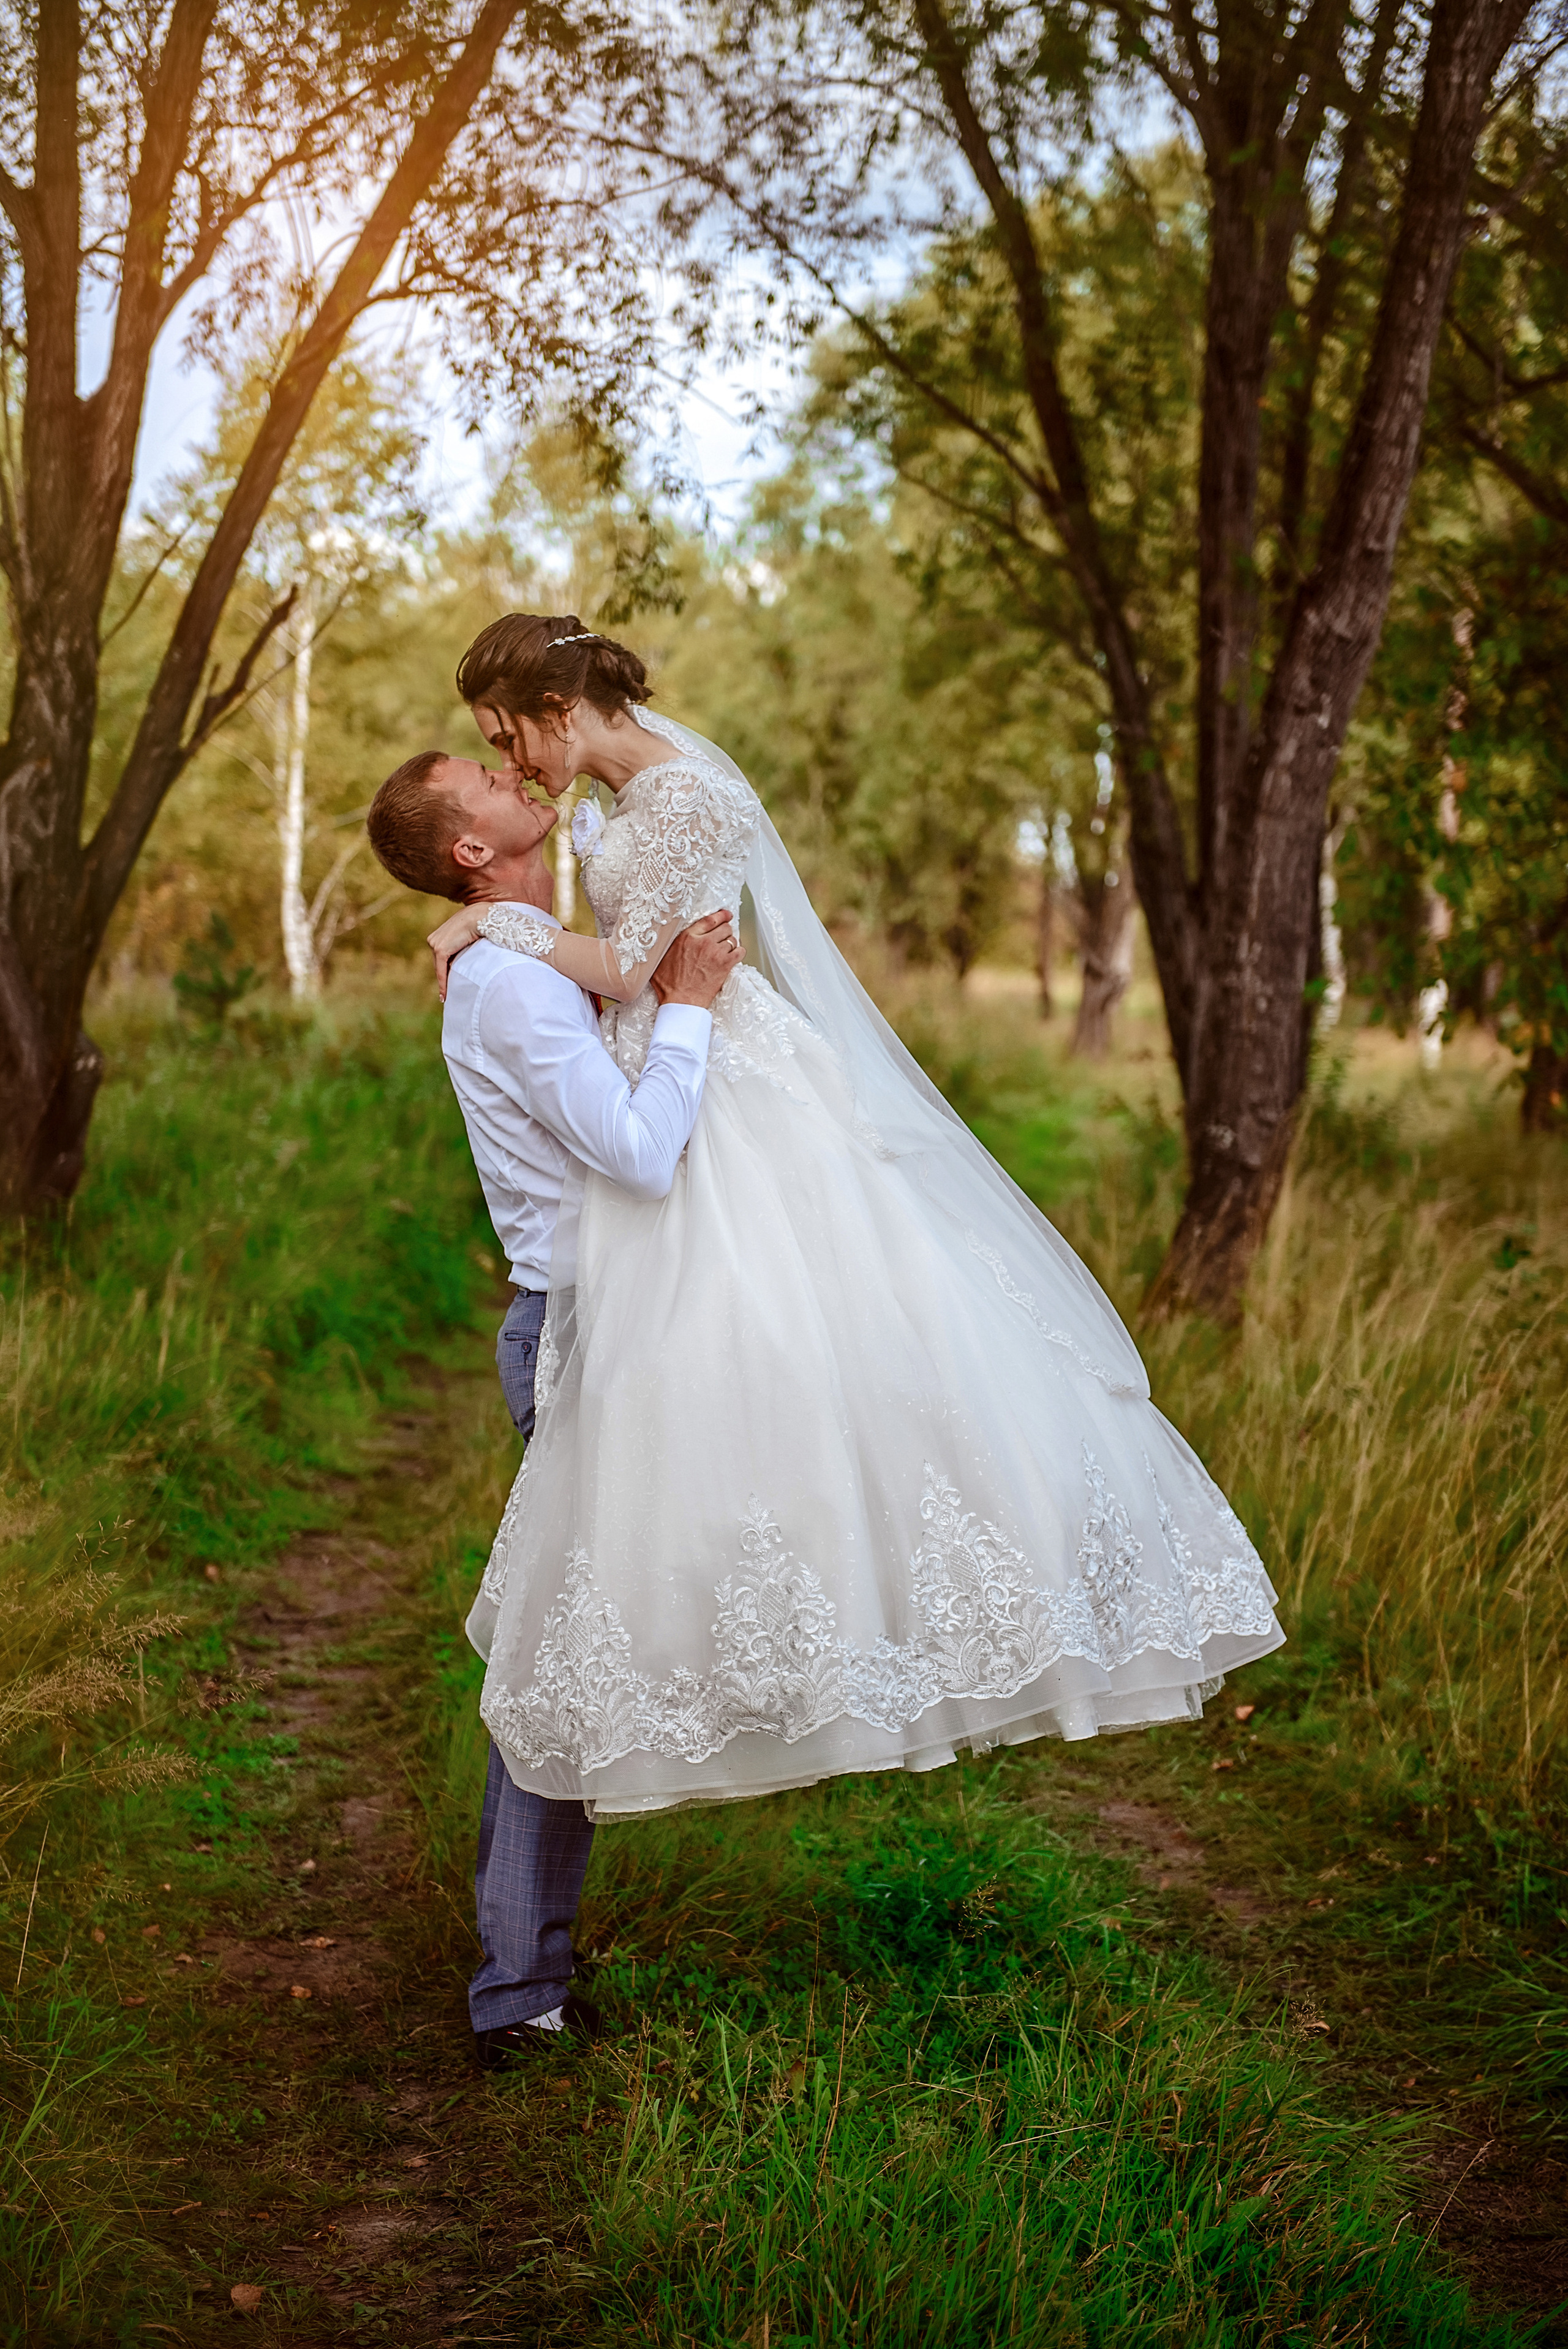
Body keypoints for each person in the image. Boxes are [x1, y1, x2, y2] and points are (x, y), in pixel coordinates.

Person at [422, 614, 1285, 1828]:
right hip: (673, 1064)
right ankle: (714, 1622)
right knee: (703, 1377)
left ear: (556, 705)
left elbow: (627, 968)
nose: (513, 767)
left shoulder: (676, 797)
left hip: (715, 1074)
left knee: (781, 1335)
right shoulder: (620, 787)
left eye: (506, 737)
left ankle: (810, 1616)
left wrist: (489, 920)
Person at [366, 747, 739, 2066]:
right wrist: (687, 1006)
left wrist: (477, 919)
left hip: (622, 1329)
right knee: (562, 1655)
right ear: (470, 846)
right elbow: (638, 1155)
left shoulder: (513, 949)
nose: (513, 766)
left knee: (592, 1641)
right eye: (483, 770)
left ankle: (523, 1974)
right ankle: (516, 1994)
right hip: (578, 1340)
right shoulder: (515, 991)